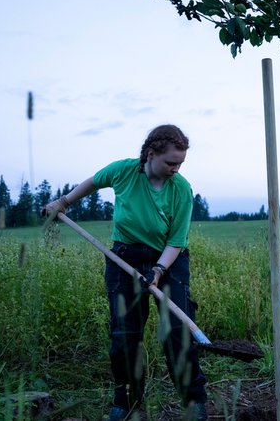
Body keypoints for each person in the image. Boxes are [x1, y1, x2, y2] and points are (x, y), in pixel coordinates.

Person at [43, 125, 208, 421]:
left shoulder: (181, 189)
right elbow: (94, 182)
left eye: (180, 163)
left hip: (169, 260)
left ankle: (193, 401)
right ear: (151, 153)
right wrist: (64, 202)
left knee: (177, 331)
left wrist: (157, 271)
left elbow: (176, 241)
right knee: (124, 334)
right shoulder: (123, 171)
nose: (176, 169)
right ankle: (127, 401)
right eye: (171, 162)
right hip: (124, 258)